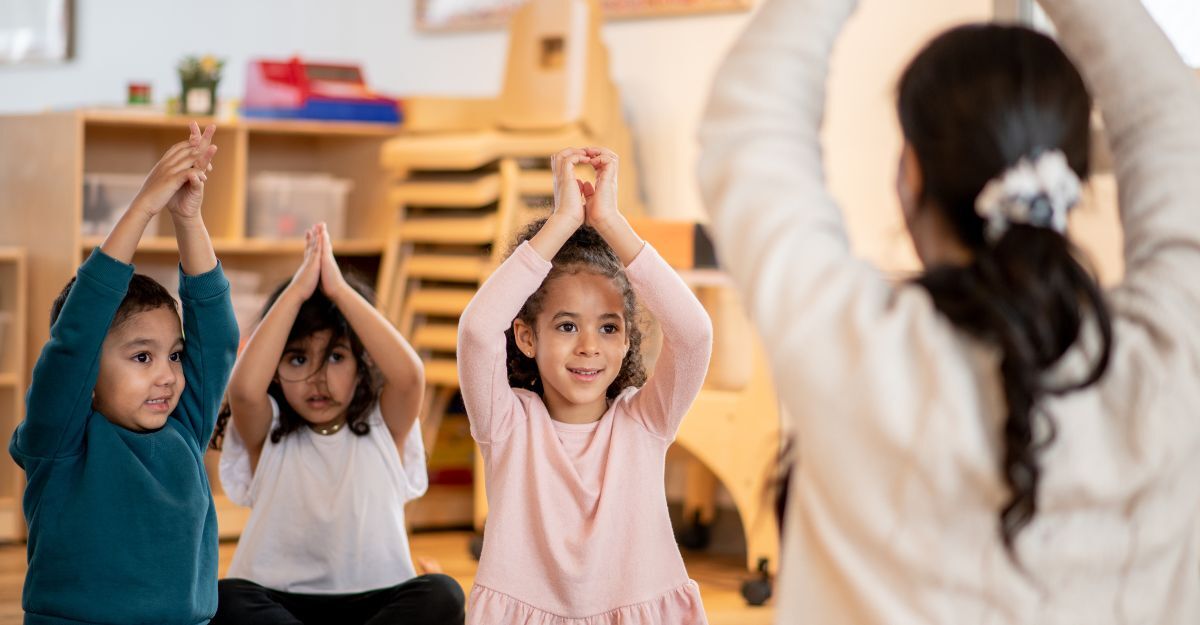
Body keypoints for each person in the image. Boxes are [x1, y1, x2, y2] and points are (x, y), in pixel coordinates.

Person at [699, 0, 1200, 622]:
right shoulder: (1172, 356)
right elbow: (1172, 120)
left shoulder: (856, 350)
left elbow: (751, 120)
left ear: (908, 178)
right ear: (1070, 180)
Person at [457, 147, 714, 624]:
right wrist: (561, 222)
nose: (589, 347)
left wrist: (611, 221)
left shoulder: (646, 420)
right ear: (527, 336)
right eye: (568, 326)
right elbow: (476, 332)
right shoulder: (507, 423)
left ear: (628, 339)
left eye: (609, 327)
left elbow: (695, 335)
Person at [11, 122, 237, 624]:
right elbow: (73, 343)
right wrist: (143, 208)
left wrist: (187, 220)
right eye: (142, 357)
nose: (168, 375)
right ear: (89, 374)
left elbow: (217, 337)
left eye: (174, 355)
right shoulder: (61, 440)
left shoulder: (184, 428)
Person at [211, 223, 464, 625]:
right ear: (274, 371)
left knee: (443, 593)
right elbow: (242, 389)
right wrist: (296, 291)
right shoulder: (268, 429)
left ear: (363, 364)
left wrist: (338, 291)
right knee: (225, 599)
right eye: (297, 359)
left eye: (335, 357)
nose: (317, 378)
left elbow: (411, 376)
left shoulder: (385, 424)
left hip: (375, 602)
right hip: (282, 603)